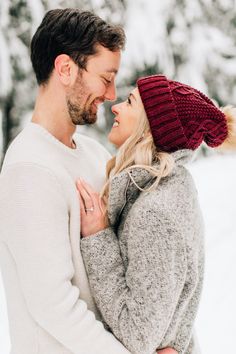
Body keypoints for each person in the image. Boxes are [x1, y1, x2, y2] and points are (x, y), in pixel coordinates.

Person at [0, 8, 177, 354]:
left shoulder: (95, 154)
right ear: (66, 69)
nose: (111, 94)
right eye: (105, 77)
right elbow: (53, 304)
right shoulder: (29, 168)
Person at [77, 74, 236, 354]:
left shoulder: (155, 213)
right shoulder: (174, 185)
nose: (115, 107)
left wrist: (98, 238)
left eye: (129, 102)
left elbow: (138, 335)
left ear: (150, 127)